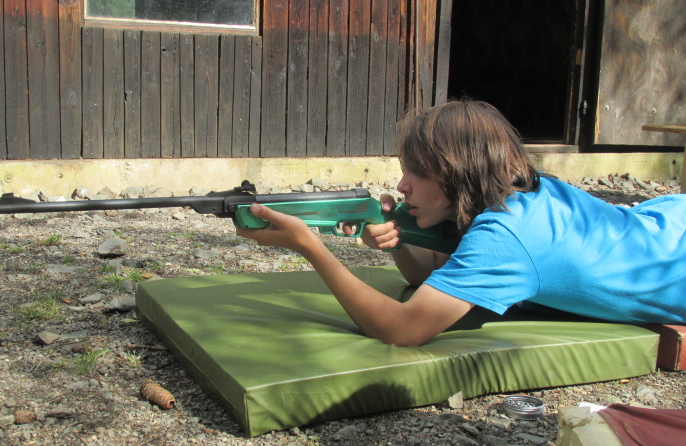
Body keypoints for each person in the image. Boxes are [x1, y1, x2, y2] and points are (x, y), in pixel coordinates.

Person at [236, 100, 686, 346]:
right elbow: (433, 277)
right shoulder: (521, 192)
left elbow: (403, 329)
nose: (402, 185)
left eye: (417, 173)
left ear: (458, 174)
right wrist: (398, 240)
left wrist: (310, 246)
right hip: (662, 220)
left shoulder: (506, 236)